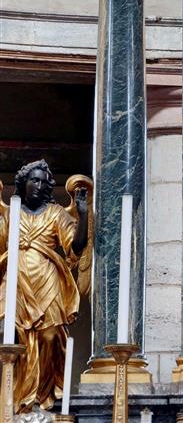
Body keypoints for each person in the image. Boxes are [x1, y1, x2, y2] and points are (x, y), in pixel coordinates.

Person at [0, 160, 89, 412]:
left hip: (48, 280)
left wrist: (83, 216)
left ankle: (43, 399)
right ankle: (18, 402)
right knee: (15, 340)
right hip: (17, 283)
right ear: (23, 183)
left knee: (50, 336)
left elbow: (76, 247)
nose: (38, 185)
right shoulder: (11, 213)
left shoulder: (56, 214)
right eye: (34, 180)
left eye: (43, 181)